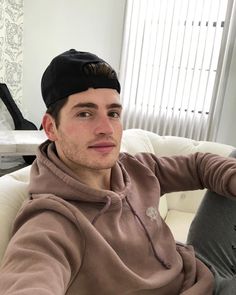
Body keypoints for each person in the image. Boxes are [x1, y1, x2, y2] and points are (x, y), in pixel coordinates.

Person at [0, 49, 236, 294]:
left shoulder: (134, 168)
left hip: (201, 266)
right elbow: (31, 276)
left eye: (113, 113)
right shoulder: (50, 223)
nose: (106, 128)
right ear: (51, 127)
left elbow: (198, 165)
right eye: (85, 113)